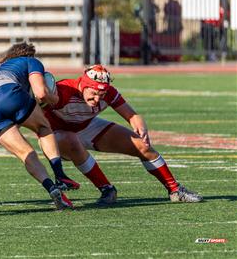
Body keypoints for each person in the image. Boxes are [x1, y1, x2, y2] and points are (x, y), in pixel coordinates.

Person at [43, 64, 203, 204]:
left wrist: (140, 126)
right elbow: (36, 114)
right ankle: (107, 189)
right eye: (94, 93)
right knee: (71, 140)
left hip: (87, 125)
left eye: (102, 95)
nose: (97, 99)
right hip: (58, 134)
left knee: (142, 146)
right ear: (84, 85)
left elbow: (132, 115)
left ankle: (175, 190)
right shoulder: (63, 91)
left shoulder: (109, 93)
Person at [0, 41, 73, 211]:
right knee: (43, 128)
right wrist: (54, 99)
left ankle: (52, 188)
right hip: (6, 91)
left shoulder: (0, 69)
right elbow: (40, 93)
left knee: (26, 154)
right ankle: (60, 176)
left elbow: (9, 107)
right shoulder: (31, 61)